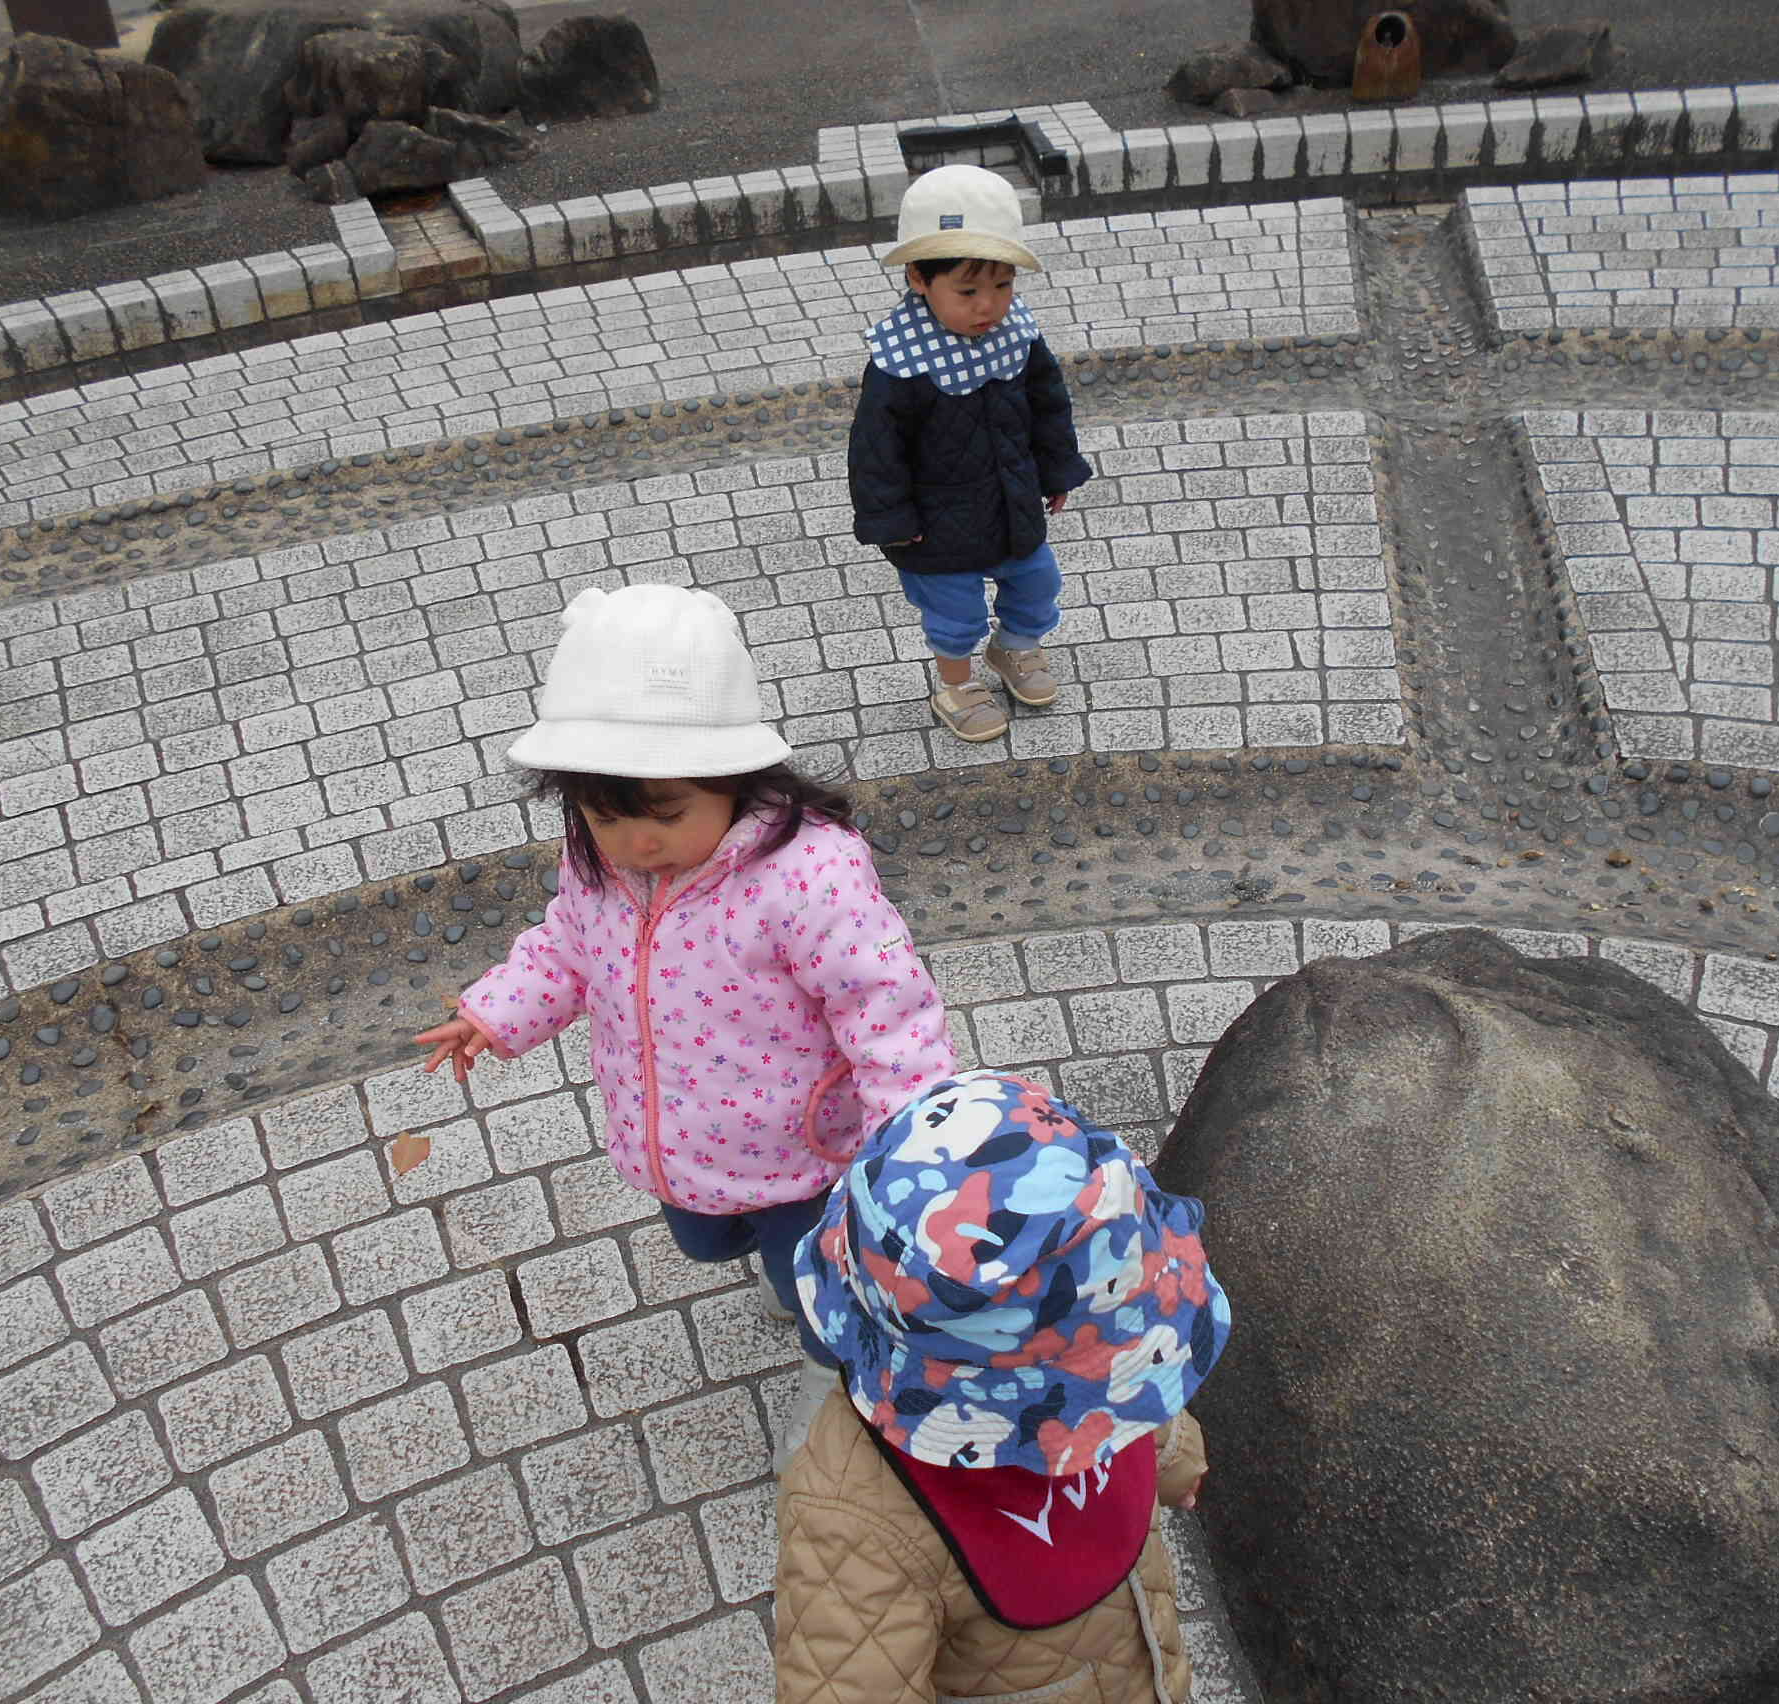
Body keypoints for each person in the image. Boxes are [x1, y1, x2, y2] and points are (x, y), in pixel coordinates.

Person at [414, 583, 957, 1456]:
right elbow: (567, 946)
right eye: (603, 818)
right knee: (706, 1241)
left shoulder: (805, 875)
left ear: (737, 780)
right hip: (673, 1139)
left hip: (802, 1149)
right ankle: (790, 1285)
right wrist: (497, 1010)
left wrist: (915, 1132)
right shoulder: (599, 859)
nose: (635, 845)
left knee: (814, 1272)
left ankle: (832, 1376)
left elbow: (884, 1007)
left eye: (665, 817)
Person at [774, 1070, 1231, 1704]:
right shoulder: (852, 1518)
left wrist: (1178, 1457)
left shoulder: (1103, 1371)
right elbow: (844, 1678)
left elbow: (1136, 1400)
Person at [848, 163, 1093, 744]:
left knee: (1036, 582)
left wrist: (1056, 468)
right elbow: (876, 450)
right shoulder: (900, 364)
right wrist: (892, 522)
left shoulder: (1018, 338)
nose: (989, 305)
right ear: (918, 280)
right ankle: (955, 684)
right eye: (968, 291)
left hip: (1011, 500)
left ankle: (1015, 648)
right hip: (935, 526)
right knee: (954, 614)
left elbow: (1048, 405)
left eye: (1003, 286)